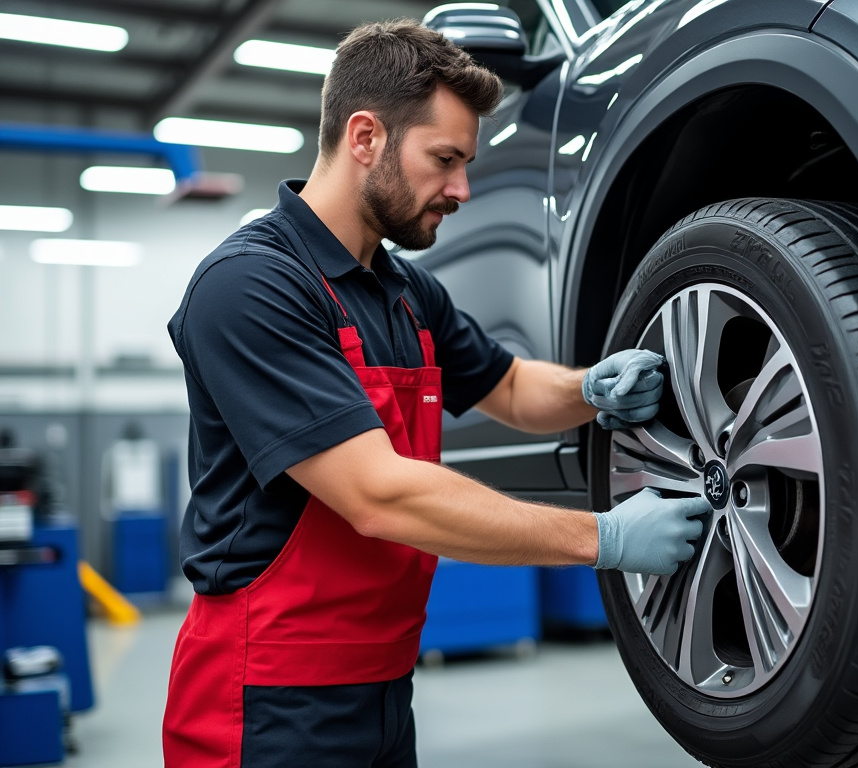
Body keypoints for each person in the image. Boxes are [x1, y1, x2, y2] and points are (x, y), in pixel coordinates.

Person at [162, 18, 711, 768]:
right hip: (265, 699)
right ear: (365, 138)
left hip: (384, 685)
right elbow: (378, 495)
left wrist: (591, 388)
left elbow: (511, 387)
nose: (461, 189)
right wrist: (604, 538)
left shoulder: (403, 290)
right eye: (445, 160)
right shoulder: (252, 285)